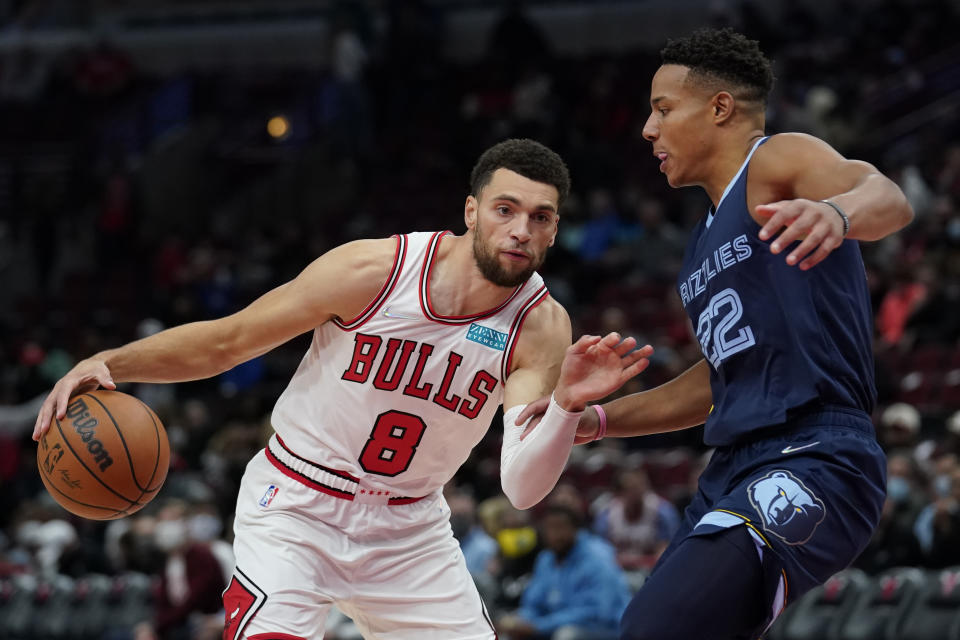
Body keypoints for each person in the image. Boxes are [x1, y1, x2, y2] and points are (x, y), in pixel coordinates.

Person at [33, 138, 653, 640]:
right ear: (471, 212)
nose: (520, 229)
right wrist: (112, 361)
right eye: (505, 209)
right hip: (298, 501)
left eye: (540, 218)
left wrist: (566, 412)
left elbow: (520, 488)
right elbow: (229, 341)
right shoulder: (375, 270)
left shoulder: (541, 326)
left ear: (553, 232)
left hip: (410, 529)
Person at [518, 29, 914, 640]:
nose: (648, 129)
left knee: (658, 629)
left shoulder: (775, 162)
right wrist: (594, 419)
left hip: (815, 454)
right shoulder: (699, 249)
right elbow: (717, 382)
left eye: (664, 109)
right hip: (732, 468)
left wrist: (836, 214)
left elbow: (886, 196)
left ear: (721, 108)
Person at [496, 504, 631, 640]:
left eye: (560, 528)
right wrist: (519, 622)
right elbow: (533, 603)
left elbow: (596, 613)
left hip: (604, 630)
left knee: (566, 636)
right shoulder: (545, 559)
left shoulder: (598, 557)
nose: (555, 534)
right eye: (550, 528)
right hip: (555, 627)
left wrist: (538, 626)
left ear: (575, 529)